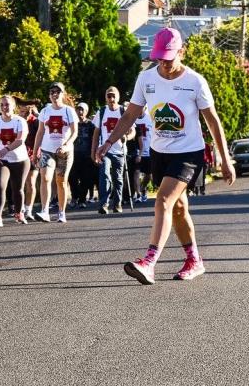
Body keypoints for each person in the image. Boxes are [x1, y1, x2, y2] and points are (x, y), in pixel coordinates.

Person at [97, 27, 235, 284]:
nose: (163, 63)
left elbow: (213, 122)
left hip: (189, 154)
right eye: (159, 58)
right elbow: (130, 115)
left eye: (169, 58)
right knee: (179, 208)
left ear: (181, 52)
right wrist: (109, 142)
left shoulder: (195, 82)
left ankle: (149, 262)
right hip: (160, 152)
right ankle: (195, 260)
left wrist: (224, 159)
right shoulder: (145, 79)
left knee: (162, 200)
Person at [33, 84, 78, 223]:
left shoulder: (68, 111)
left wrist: (66, 145)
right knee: (45, 177)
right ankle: (45, 210)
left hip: (65, 152)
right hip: (47, 150)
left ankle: (61, 212)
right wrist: (35, 151)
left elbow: (75, 132)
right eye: (52, 92)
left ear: (63, 94)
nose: (55, 94)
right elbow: (40, 132)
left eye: (58, 92)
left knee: (61, 181)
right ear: (49, 95)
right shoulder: (45, 111)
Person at [0, 96, 29, 226]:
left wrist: (6, 149)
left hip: (20, 160)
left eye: (7, 104)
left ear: (13, 106)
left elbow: (20, 140)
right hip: (2, 160)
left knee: (17, 188)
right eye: (2, 105)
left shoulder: (20, 121)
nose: (4, 107)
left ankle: (19, 213)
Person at [94, 87, 129, 214]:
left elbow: (133, 131)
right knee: (104, 175)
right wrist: (94, 152)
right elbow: (96, 133)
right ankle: (104, 204)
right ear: (106, 98)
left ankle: (117, 203)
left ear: (118, 97)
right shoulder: (101, 112)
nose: (111, 99)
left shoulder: (123, 111)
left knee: (118, 178)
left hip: (120, 151)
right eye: (109, 96)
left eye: (113, 96)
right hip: (105, 151)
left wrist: (127, 137)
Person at [70, 103, 97, 208]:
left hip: (86, 155)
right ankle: (74, 197)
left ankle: (82, 200)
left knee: (85, 179)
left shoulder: (91, 125)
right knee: (72, 178)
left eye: (82, 110)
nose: (80, 112)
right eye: (78, 109)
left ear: (86, 112)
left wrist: (94, 153)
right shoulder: (72, 123)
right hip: (73, 155)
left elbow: (95, 139)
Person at [21, 104, 42, 221]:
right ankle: (20, 209)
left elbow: (44, 128)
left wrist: (37, 114)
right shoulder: (17, 121)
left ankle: (28, 209)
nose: (24, 113)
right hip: (19, 156)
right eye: (22, 111)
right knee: (19, 185)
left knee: (31, 183)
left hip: (33, 155)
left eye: (27, 111)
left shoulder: (35, 122)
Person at [134, 108, 155, 203]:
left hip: (148, 151)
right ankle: (138, 194)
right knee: (136, 173)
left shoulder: (150, 118)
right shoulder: (133, 119)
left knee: (149, 175)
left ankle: (143, 188)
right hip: (136, 151)